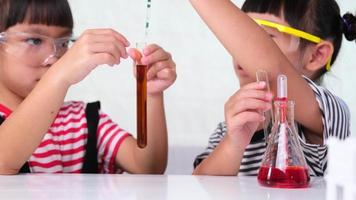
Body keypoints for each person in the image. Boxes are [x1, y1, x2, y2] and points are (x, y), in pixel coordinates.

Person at [0, 0, 176, 174]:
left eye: (63, 43)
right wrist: (58, 76)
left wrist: (150, 93)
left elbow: (148, 168)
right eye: (35, 41)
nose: (54, 57)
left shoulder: (81, 119)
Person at [190, 0, 356, 176]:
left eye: (264, 37)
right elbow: (203, 187)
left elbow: (272, 71)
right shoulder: (227, 129)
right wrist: (233, 144)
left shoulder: (330, 113)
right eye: (240, 36)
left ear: (316, 55)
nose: (240, 50)